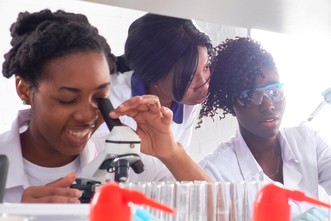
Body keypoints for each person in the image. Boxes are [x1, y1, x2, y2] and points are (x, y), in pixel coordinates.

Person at [0, 9, 211, 204]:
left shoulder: (116, 157)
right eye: (67, 99)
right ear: (25, 89)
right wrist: (11, 219)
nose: (86, 115)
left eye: (100, 97)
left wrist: (172, 153)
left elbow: (223, 216)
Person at [198, 37, 331, 221]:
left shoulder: (306, 141)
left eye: (274, 92)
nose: (268, 105)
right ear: (232, 104)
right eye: (251, 96)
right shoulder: (216, 171)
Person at [106, 13, 213, 180]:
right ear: (155, 74)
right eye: (189, 75)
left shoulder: (188, 101)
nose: (203, 84)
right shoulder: (114, 103)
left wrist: (172, 154)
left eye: (206, 66)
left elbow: (173, 174)